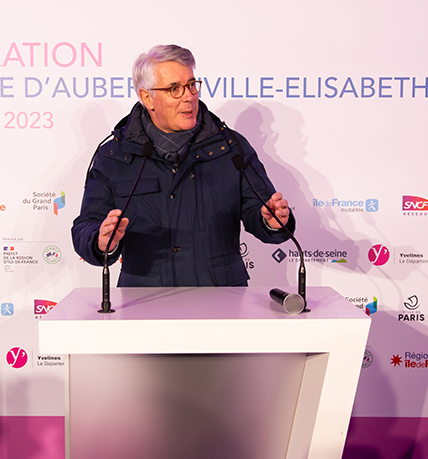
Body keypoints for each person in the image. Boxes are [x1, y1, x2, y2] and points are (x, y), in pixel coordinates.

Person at [72, 44, 295, 287]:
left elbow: (260, 211)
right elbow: (87, 224)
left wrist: (271, 221)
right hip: (144, 301)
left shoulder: (231, 147)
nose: (188, 96)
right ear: (147, 98)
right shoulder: (114, 155)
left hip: (222, 300)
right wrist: (100, 241)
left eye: (191, 85)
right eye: (174, 89)